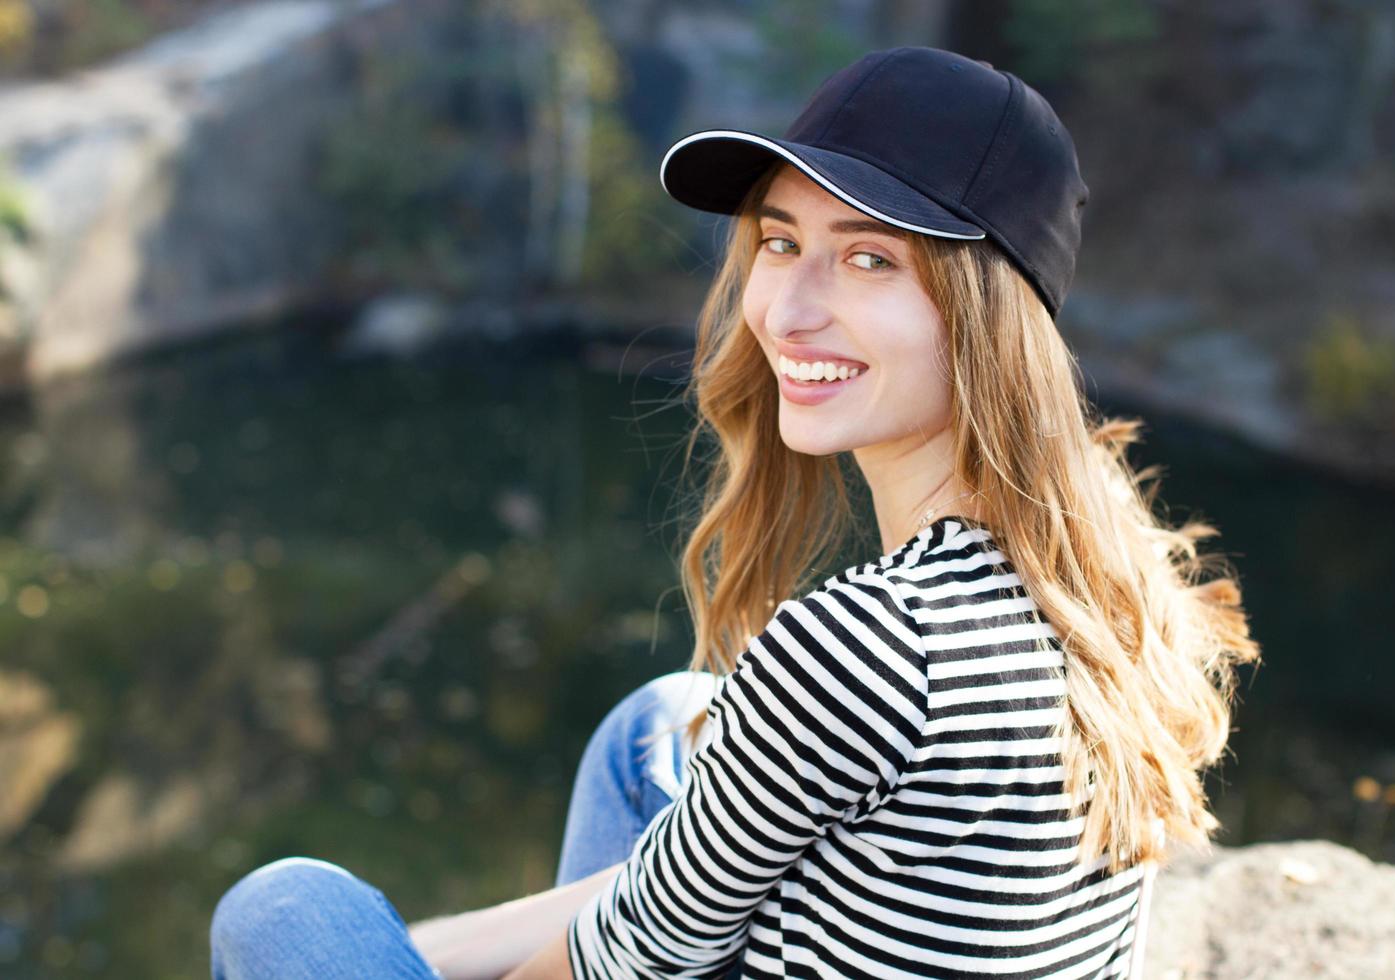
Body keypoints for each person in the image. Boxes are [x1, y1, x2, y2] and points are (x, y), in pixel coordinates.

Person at [209, 45, 1260, 979]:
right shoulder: (1100, 574)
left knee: (286, 908)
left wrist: (398, 954)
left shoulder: (877, 643)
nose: (787, 310)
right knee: (662, 722)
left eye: (867, 257)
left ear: (989, 313)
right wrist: (433, 946)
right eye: (779, 240)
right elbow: (665, 902)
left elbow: (617, 952)